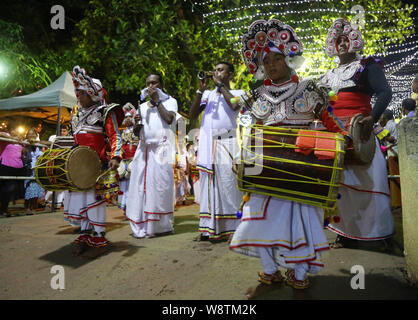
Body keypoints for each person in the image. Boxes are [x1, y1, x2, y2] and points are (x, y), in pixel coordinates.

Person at [229, 18, 348, 290]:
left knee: (303, 221)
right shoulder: (256, 94)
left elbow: (330, 121)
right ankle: (270, 269)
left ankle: (300, 272)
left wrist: (345, 143)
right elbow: (249, 132)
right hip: (266, 166)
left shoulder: (308, 88)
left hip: (303, 166)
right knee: (257, 218)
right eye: (266, 60)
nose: (271, 64)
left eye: (276, 58)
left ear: (289, 58)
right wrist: (240, 158)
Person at [319, 17, 395, 248]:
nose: (342, 44)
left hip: (361, 131)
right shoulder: (328, 75)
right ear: (334, 44)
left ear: (353, 41)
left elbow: (385, 93)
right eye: (338, 40)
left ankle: (379, 234)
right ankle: (345, 234)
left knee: (371, 182)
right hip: (335, 133)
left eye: (346, 40)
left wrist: (371, 118)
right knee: (340, 184)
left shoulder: (367, 66)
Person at [65, 66, 123, 255]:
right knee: (80, 200)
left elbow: (115, 136)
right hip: (78, 168)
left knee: (94, 201)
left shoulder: (105, 111)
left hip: (96, 167)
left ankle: (98, 236)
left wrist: (115, 156)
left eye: (82, 93)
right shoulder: (77, 116)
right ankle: (84, 233)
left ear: (93, 93)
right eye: (77, 93)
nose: (78, 96)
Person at [189, 61, 244, 243]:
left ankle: (234, 230)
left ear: (230, 75)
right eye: (216, 69)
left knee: (229, 187)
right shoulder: (208, 95)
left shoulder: (238, 93)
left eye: (221, 70)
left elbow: (235, 106)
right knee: (208, 187)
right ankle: (208, 228)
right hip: (208, 145)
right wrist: (200, 91)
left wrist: (220, 86)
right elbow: (193, 114)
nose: (216, 72)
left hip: (228, 143)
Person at [125, 73, 177, 239]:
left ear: (161, 84)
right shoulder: (142, 106)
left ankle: (160, 227)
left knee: (161, 189)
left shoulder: (170, 101)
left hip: (161, 151)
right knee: (140, 189)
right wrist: (136, 123)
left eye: (154, 83)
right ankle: (142, 225)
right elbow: (137, 133)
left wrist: (157, 101)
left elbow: (169, 119)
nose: (150, 87)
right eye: (148, 83)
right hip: (143, 151)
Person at [117, 103, 139, 215]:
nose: (127, 120)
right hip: (124, 162)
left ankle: (132, 208)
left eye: (129, 118)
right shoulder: (122, 132)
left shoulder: (137, 131)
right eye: (125, 118)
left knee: (133, 186)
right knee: (124, 187)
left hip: (134, 162)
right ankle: (126, 208)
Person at [0, 128, 26, 217]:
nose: (16, 132)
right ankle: (3, 209)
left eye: (18, 132)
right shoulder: (6, 136)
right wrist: (12, 138)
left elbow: (24, 151)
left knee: (9, 190)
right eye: (14, 131)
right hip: (5, 166)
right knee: (5, 189)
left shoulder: (20, 142)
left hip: (16, 168)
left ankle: (4, 209)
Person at [44, 125, 71, 209]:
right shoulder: (53, 137)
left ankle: (59, 203)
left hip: (64, 163)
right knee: (53, 182)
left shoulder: (69, 138)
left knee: (63, 184)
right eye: (61, 131)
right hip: (54, 162)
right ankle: (46, 201)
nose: (62, 133)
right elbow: (50, 146)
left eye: (64, 131)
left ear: (67, 132)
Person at [23, 127, 45, 215]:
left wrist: (38, 142)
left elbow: (48, 143)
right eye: (30, 134)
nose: (31, 135)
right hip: (29, 169)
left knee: (35, 189)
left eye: (33, 134)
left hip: (37, 169)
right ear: (27, 135)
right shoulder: (25, 142)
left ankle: (32, 208)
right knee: (29, 188)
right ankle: (27, 208)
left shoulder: (38, 145)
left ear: (36, 135)